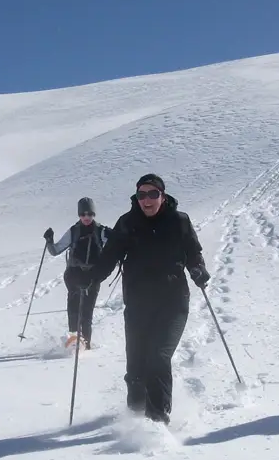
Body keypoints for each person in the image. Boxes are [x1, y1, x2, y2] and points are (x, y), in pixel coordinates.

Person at [82, 174, 210, 423]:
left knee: (158, 357)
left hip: (173, 302)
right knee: (136, 366)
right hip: (138, 303)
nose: (147, 200)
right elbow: (109, 257)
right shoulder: (127, 223)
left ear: (163, 195)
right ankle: (135, 417)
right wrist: (90, 277)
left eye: (152, 194)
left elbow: (193, 252)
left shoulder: (179, 221)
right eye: (142, 195)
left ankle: (157, 420)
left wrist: (198, 269)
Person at [43, 197, 110, 349]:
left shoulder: (101, 231)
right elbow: (55, 250)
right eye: (83, 214)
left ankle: (85, 345)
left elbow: (114, 247)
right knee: (73, 311)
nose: (86, 217)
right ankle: (73, 344)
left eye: (90, 214)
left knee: (87, 313)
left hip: (93, 276)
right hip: (74, 274)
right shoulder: (73, 231)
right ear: (79, 214)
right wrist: (49, 240)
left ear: (94, 214)